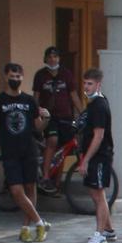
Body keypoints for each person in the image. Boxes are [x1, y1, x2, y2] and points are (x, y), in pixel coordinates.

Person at [0, 62, 50, 243]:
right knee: (16, 190)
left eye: (18, 77)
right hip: (9, 152)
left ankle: (26, 227)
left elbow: (38, 126)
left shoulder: (29, 100)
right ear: (5, 76)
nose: (15, 80)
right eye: (12, 76)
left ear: (22, 78)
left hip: (29, 150)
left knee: (31, 187)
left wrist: (46, 117)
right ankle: (39, 222)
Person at [79, 67, 118, 243]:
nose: (86, 87)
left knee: (99, 193)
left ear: (98, 84)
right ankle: (109, 230)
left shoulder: (99, 106)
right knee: (95, 194)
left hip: (100, 156)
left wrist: (86, 160)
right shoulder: (92, 104)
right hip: (94, 155)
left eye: (90, 84)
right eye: (85, 83)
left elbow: (99, 135)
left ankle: (99, 233)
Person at [36, 48, 82, 195]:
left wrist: (83, 114)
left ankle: (56, 185)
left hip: (66, 116)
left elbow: (74, 95)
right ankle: (45, 177)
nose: (52, 59)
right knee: (53, 141)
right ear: (45, 59)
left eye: (55, 56)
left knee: (64, 149)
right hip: (49, 117)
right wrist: (35, 113)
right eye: (49, 57)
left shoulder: (66, 74)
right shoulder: (40, 75)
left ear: (59, 59)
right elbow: (35, 97)